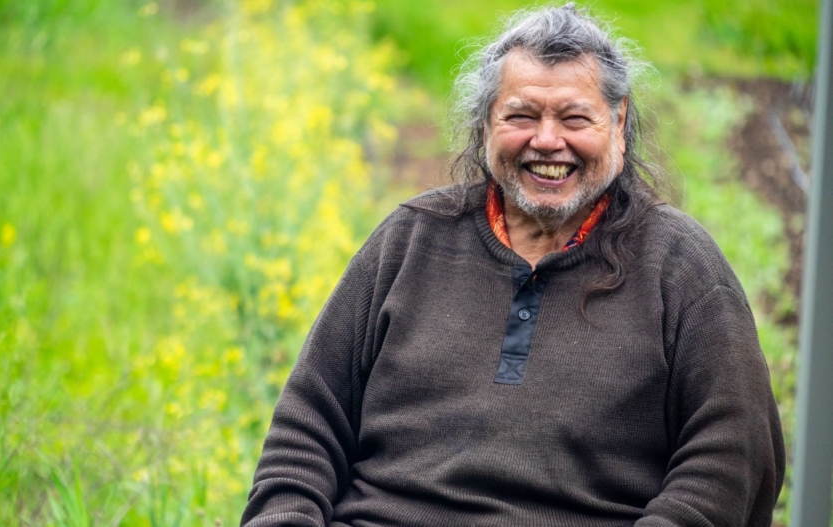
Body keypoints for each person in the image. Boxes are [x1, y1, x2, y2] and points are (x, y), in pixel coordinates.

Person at [240, 4, 786, 526]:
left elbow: (732, 459)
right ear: (486, 126)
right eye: (521, 116)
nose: (547, 141)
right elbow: (306, 428)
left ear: (618, 124)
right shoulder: (410, 240)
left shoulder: (681, 268)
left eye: (575, 118)